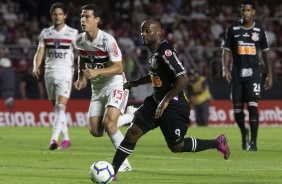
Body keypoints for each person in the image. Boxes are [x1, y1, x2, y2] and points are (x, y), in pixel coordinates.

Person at [111, 18, 230, 180]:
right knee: (132, 133)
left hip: (174, 106)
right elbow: (155, 74)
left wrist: (165, 101)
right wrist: (135, 83)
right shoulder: (154, 52)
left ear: (158, 32)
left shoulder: (165, 51)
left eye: (147, 31)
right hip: (156, 102)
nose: (143, 34)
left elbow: (183, 78)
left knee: (176, 146)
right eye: (142, 31)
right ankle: (112, 171)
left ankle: (217, 142)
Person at [73, 4, 132, 172]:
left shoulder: (108, 40)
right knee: (96, 131)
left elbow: (119, 67)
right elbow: (82, 58)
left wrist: (96, 71)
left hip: (114, 83)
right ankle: (128, 118)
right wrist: (81, 77)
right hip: (97, 89)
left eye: (87, 17)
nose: (83, 20)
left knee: (109, 123)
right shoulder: (79, 40)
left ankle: (124, 164)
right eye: (82, 17)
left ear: (97, 20)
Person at [222, 0, 273, 151]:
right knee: (237, 110)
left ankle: (253, 143)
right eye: (243, 10)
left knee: (252, 106)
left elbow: (265, 53)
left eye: (248, 10)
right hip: (237, 74)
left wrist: (270, 74)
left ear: (253, 12)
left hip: (254, 74)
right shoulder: (232, 29)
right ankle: (244, 133)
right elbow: (226, 50)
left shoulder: (259, 30)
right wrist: (225, 68)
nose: (245, 13)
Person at [33, 2, 78, 150]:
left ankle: (53, 139)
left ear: (65, 15)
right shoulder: (46, 33)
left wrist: (83, 72)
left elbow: (82, 54)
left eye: (60, 14)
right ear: (51, 16)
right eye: (55, 14)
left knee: (60, 107)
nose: (57, 16)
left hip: (65, 72)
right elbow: (39, 52)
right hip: (49, 73)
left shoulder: (73, 33)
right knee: (58, 109)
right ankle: (66, 140)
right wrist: (36, 66)